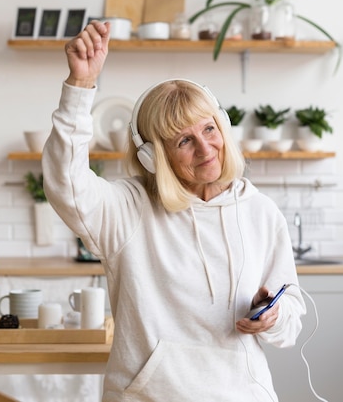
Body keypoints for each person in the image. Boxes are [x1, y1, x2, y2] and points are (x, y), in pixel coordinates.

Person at [42, 20, 306, 402]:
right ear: (153, 157)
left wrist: (273, 317)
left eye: (209, 129)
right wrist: (79, 88)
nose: (205, 148)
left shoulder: (261, 213)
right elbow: (66, 186)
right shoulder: (127, 210)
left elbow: (291, 325)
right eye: (184, 140)